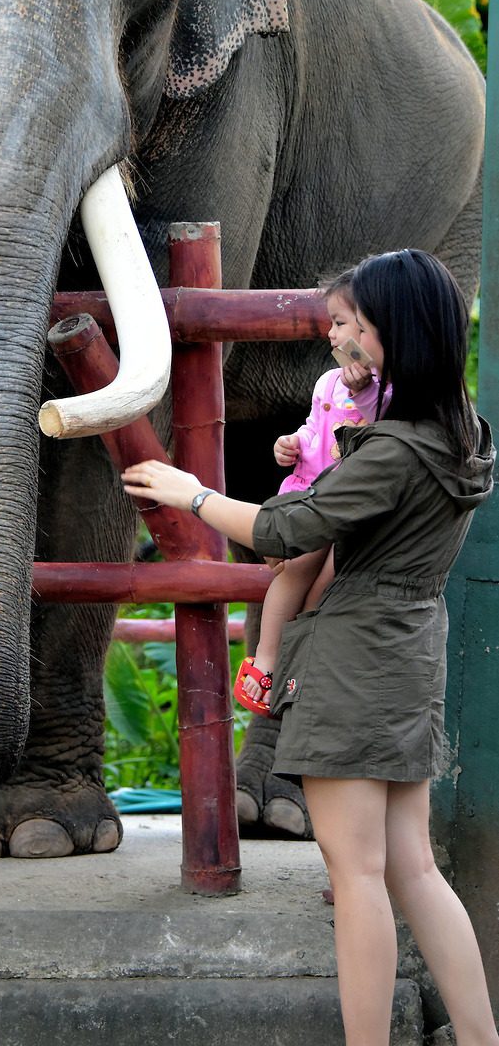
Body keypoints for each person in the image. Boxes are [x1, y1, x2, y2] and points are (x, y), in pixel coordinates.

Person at [122, 249, 498, 1046]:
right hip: (407, 650)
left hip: (355, 657)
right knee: (410, 869)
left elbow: (283, 530)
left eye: (348, 326)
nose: (336, 341)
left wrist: (188, 492)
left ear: (389, 332)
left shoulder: (394, 450)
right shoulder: (457, 432)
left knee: (355, 874)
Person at [235, 269, 390, 715]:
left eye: (341, 323)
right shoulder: (327, 382)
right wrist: (293, 444)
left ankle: (301, 659)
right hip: (311, 496)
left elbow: (382, 434)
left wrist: (364, 393)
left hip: (349, 504)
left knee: (326, 583)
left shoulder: (390, 388)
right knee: (297, 569)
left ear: (371, 326)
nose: (331, 332)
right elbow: (315, 429)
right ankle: (266, 659)